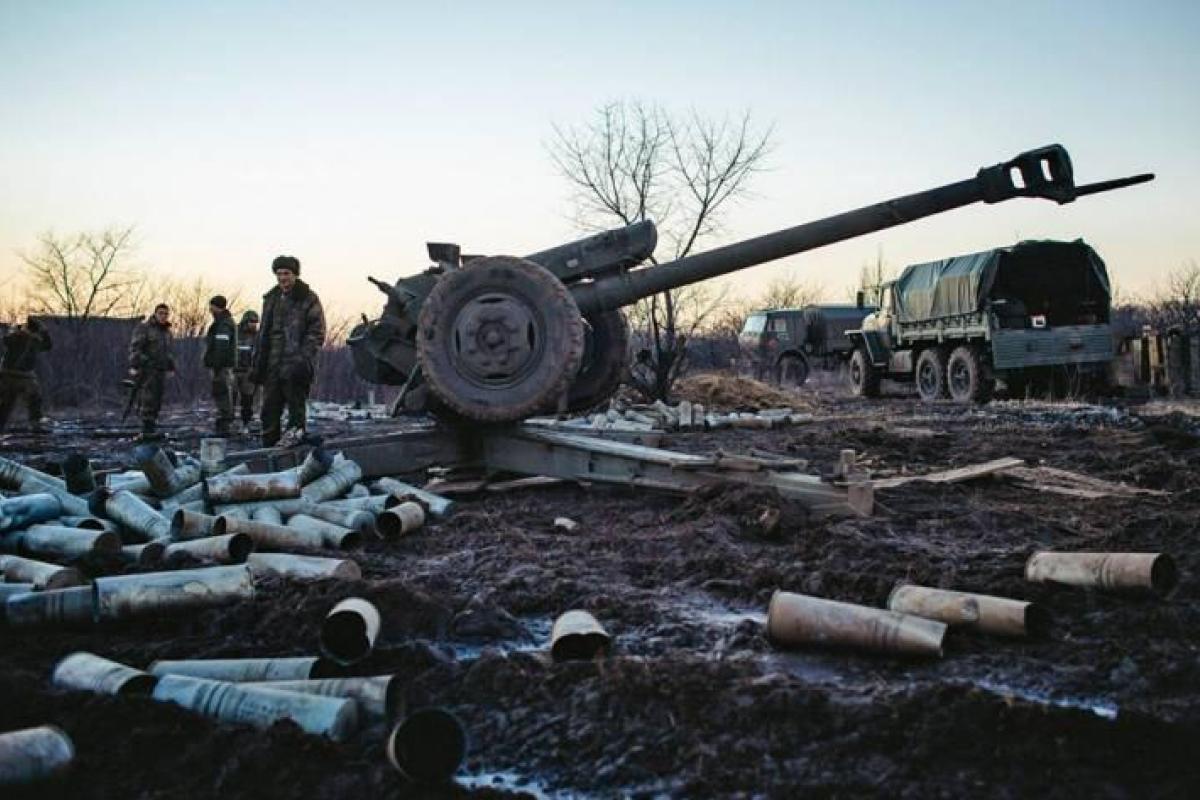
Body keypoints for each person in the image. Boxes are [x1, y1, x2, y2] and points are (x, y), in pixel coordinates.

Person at [252, 255, 325, 447]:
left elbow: (316, 332)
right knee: (268, 411)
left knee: (296, 413)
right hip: (271, 365)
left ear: (295, 275)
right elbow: (263, 334)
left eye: (286, 273)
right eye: (279, 274)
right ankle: (268, 452)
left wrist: (302, 359)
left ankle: (294, 453)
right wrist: (258, 361)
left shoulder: (308, 298)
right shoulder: (271, 298)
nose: (282, 278)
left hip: (295, 365)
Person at [128, 303, 175, 439]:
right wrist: (138, 364)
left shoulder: (167, 332)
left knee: (157, 398)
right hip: (147, 369)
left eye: (166, 314)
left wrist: (171, 366)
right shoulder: (145, 328)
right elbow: (135, 348)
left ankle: (152, 424)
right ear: (155, 314)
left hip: (160, 370)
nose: (163, 316)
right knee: (148, 397)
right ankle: (146, 425)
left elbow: (169, 352)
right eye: (161, 313)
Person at [0, 317, 52, 434]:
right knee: (34, 400)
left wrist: (14, 330)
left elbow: (5, 340)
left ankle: (2, 427)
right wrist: (44, 331)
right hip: (22, 377)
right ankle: (36, 426)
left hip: (9, 374)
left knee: (6, 404)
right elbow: (48, 346)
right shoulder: (34, 341)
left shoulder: (15, 337)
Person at [202, 295, 237, 436]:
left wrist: (216, 365)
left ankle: (224, 425)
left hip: (221, 367)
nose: (210, 309)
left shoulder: (224, 324)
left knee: (222, 393)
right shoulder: (222, 322)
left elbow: (222, 347)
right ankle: (224, 423)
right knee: (221, 393)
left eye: (212, 306)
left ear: (217, 306)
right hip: (221, 366)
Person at [234, 309, 260, 433]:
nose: (254, 324)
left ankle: (246, 423)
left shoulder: (258, 337)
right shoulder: (235, 333)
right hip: (234, 370)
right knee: (231, 398)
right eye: (251, 321)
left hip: (249, 372)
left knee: (247, 400)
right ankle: (230, 423)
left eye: (255, 322)